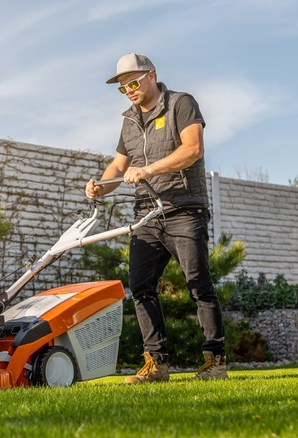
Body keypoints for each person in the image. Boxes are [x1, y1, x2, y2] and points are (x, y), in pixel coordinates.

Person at [85, 53, 228, 383]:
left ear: (151, 75)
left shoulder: (181, 103)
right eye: (123, 88)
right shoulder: (130, 121)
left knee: (199, 286)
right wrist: (99, 186)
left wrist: (148, 169)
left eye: (133, 83)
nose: (129, 91)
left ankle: (215, 362)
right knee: (140, 287)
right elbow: (119, 166)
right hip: (146, 216)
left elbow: (193, 149)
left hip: (183, 209)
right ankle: (156, 364)